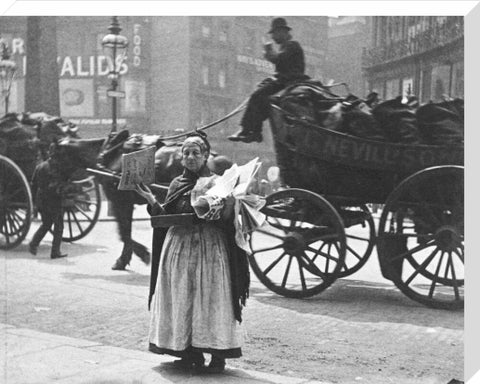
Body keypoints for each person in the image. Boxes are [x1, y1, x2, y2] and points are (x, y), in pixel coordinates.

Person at [134, 132, 250, 373]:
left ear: (206, 156)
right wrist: (150, 200)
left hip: (210, 248)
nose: (190, 156)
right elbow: (165, 216)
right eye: (186, 153)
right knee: (182, 299)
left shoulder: (219, 182)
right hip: (179, 249)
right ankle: (188, 352)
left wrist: (228, 206)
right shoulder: (177, 184)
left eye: (196, 152)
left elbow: (229, 219)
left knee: (212, 299)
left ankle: (218, 354)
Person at [228, 17, 308, 143]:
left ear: (283, 32)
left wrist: (269, 53)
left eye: (275, 34)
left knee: (256, 95)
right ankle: (254, 132)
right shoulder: (287, 46)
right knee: (261, 97)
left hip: (290, 81)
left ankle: (247, 130)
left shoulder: (292, 45)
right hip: (285, 80)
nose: (274, 38)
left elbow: (280, 60)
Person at [29, 144, 69, 259]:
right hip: (55, 200)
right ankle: (55, 252)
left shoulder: (40, 166)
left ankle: (34, 243)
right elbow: (63, 183)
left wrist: (35, 203)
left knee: (46, 224)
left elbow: (33, 185)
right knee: (59, 226)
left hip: (42, 200)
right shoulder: (59, 168)